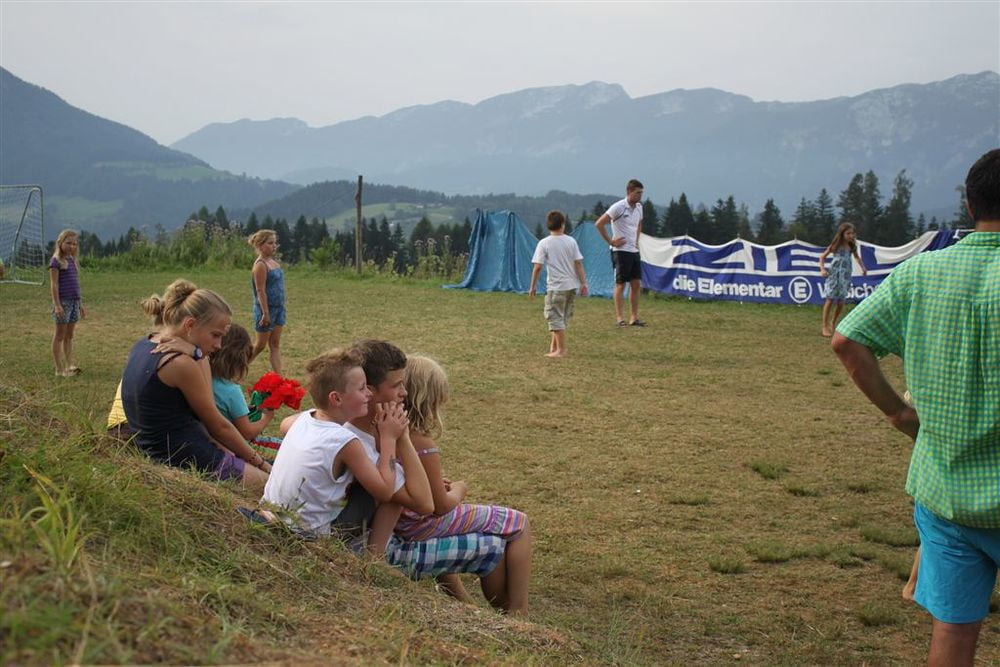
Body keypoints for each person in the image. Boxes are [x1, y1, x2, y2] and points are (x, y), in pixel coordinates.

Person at [832, 148, 1000, 666]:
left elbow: (847, 341)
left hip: (944, 489)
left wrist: (900, 415)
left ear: (969, 205)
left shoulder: (921, 272)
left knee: (952, 630)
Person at [265, 346, 531, 614]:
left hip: (296, 521)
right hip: (339, 542)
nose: (404, 393)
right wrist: (398, 437)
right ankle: (512, 614)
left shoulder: (317, 421)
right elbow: (425, 504)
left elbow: (286, 423)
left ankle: (470, 606)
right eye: (396, 386)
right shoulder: (356, 443)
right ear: (370, 391)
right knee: (492, 548)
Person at [388, 355, 532, 603]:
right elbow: (441, 506)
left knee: (489, 539)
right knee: (518, 522)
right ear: (429, 400)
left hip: (402, 522)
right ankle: (520, 610)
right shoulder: (423, 444)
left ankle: (468, 604)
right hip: (419, 525)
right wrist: (459, 489)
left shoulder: (386, 432)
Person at [121, 279, 271, 490]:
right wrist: (261, 463)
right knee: (274, 488)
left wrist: (197, 353)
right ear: (190, 325)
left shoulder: (144, 344)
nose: (218, 345)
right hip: (183, 456)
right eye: (215, 335)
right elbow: (218, 425)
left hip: (157, 449)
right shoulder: (180, 363)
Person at [529, 210, 589, 357]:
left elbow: (538, 267)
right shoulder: (571, 241)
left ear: (548, 225)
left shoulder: (544, 243)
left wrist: (533, 286)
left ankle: (561, 350)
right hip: (571, 286)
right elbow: (578, 264)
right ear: (563, 224)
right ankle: (554, 347)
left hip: (556, 287)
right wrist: (583, 283)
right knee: (562, 317)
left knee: (554, 316)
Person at [210, 323, 279, 442]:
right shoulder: (232, 391)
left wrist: (243, 409)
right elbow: (247, 433)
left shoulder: (204, 379)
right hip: (231, 444)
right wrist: (267, 417)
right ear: (241, 358)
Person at [595, 179, 645, 327]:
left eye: (641, 193)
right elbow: (599, 223)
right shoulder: (618, 207)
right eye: (637, 193)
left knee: (636, 283)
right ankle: (620, 318)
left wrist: (636, 240)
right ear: (629, 191)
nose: (640, 196)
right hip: (621, 252)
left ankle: (634, 318)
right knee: (621, 284)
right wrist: (611, 241)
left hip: (634, 250)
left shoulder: (639, 207)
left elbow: (639, 224)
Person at [818, 222, 867, 337]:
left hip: (845, 276)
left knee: (841, 301)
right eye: (848, 233)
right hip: (834, 275)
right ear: (842, 234)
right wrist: (822, 269)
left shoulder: (852, 246)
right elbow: (822, 257)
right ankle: (824, 325)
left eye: (852, 233)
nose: (851, 236)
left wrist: (863, 268)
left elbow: (857, 257)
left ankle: (833, 322)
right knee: (830, 299)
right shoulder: (836, 245)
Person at [248, 229, 286, 375]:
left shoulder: (274, 263)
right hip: (266, 310)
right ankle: (237, 368)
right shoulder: (260, 265)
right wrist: (265, 313)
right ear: (260, 245)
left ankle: (279, 377)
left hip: (279, 309)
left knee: (275, 344)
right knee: (260, 345)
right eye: (270, 243)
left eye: (275, 243)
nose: (274, 246)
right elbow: (260, 290)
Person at [49, 229, 85, 377]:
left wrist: (80, 304)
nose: (72, 246)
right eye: (68, 243)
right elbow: (54, 285)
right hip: (63, 304)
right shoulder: (56, 261)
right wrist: (57, 305)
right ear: (60, 243)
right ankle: (59, 368)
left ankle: (70, 364)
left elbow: (76, 284)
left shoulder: (72, 261)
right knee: (60, 335)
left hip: (74, 302)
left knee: (69, 335)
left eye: (74, 244)